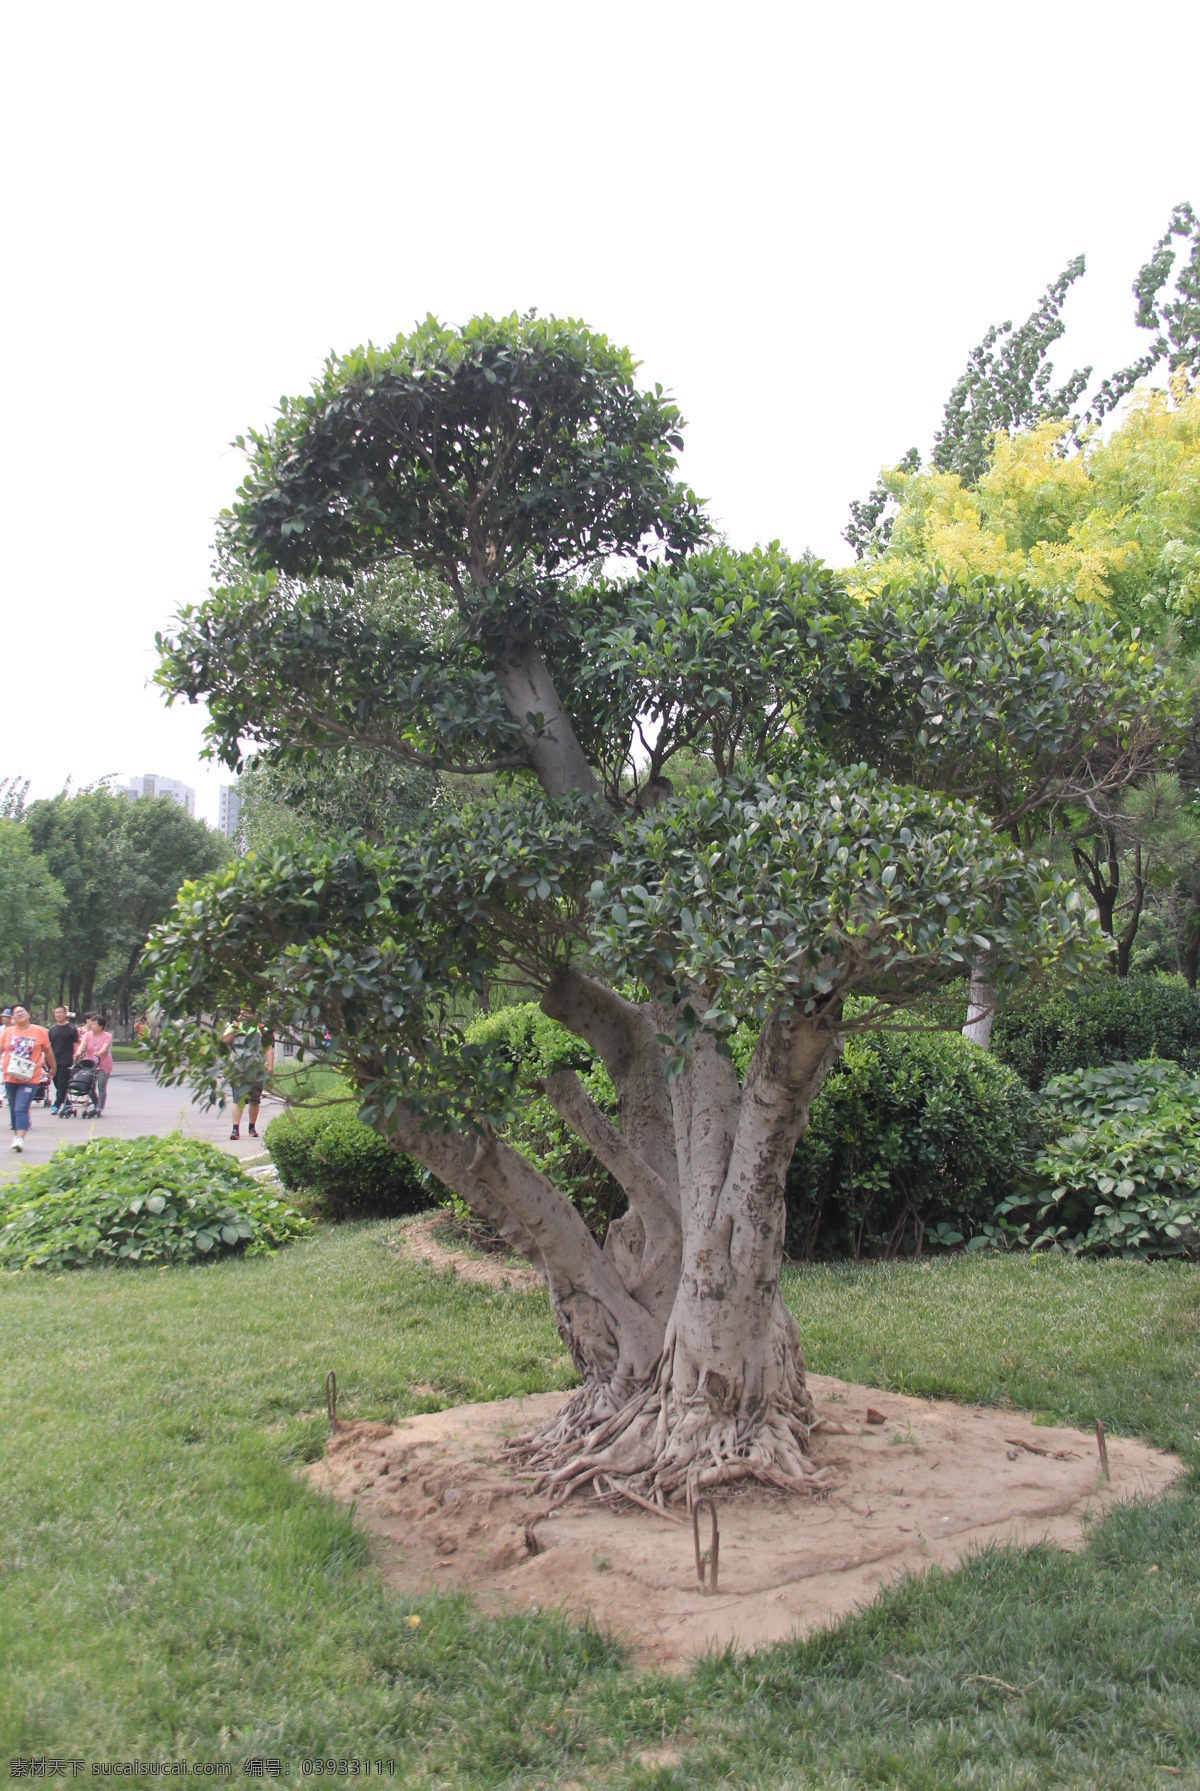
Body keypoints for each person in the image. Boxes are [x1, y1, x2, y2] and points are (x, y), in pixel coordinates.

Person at [3, 1006, 56, 1152]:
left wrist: (53, 1067)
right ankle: (17, 1136)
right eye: (15, 1013)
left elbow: (48, 1050)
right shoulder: (8, 1032)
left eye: (22, 1011)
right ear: (13, 1018)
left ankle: (20, 1138)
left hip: (30, 1078)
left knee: (21, 1107)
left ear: (28, 1014)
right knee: (14, 1108)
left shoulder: (39, 1031)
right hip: (10, 1076)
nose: (19, 1014)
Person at [221, 1007, 275, 1140]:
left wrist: (270, 1065)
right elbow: (223, 1043)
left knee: (255, 1099)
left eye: (247, 1013)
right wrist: (234, 1029)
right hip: (238, 1069)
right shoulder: (234, 1028)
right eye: (242, 1012)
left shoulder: (261, 1030)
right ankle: (235, 1129)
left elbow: (268, 1049)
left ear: (255, 1015)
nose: (244, 1015)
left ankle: (252, 1127)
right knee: (237, 1098)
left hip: (257, 1069)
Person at [76, 1014, 114, 1114]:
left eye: (94, 1024)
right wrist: (78, 1051)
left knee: (101, 1086)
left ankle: (100, 1107)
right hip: (90, 1064)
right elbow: (83, 1044)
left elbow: (105, 1047)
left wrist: (98, 1054)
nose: (92, 1026)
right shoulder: (87, 1035)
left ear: (100, 1026)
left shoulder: (107, 1036)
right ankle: (96, 1103)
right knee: (89, 1086)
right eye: (91, 1024)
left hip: (103, 1064)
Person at [47, 1006, 80, 1113]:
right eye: (56, 1013)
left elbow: (75, 1044)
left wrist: (76, 1057)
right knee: (56, 1082)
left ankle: (56, 1104)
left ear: (65, 1013)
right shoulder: (52, 1029)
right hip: (53, 1060)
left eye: (61, 1012)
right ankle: (67, 1102)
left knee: (62, 1082)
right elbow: (48, 1046)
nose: (58, 1015)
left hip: (66, 1060)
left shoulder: (71, 1028)